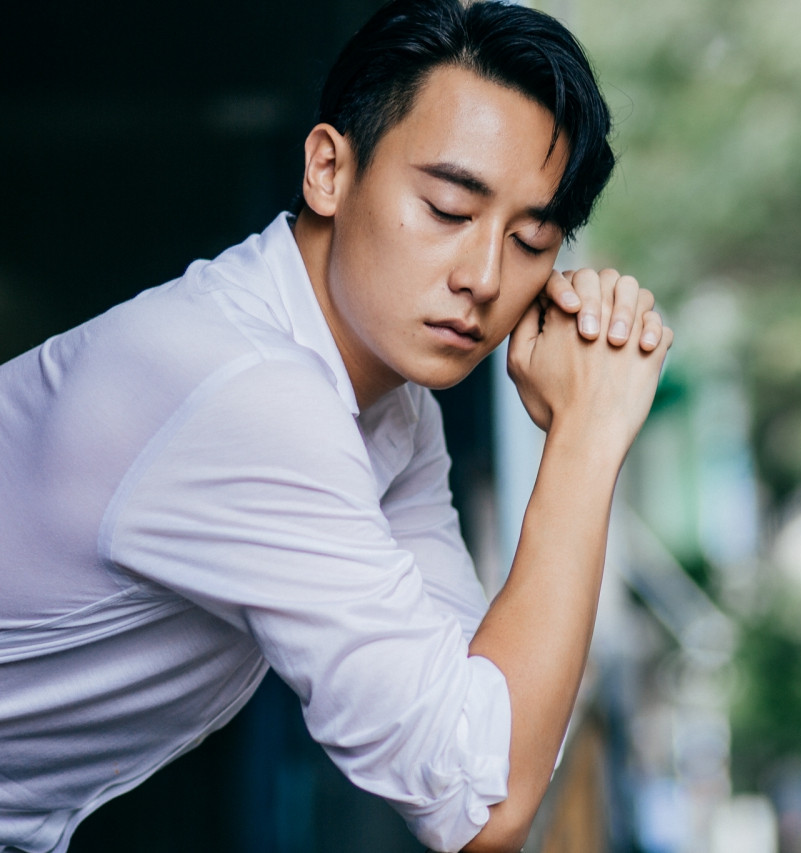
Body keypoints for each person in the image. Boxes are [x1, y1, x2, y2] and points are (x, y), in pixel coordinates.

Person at [0, 1, 673, 851]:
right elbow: (478, 807)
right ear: (327, 169)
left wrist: (582, 431)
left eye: (532, 240)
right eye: (448, 209)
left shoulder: (391, 412)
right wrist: (586, 438)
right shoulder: (251, 393)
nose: (484, 275)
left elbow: (491, 729)